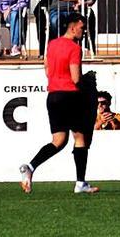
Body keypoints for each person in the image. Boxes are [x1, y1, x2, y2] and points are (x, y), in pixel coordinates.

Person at [19, 13, 99, 194]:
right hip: (70, 95)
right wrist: (87, 86)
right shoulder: (74, 48)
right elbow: (76, 78)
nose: (84, 31)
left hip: (53, 96)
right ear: (72, 27)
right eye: (82, 27)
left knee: (59, 141)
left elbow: (47, 70)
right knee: (80, 138)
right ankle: (80, 183)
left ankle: (30, 167)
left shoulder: (52, 45)